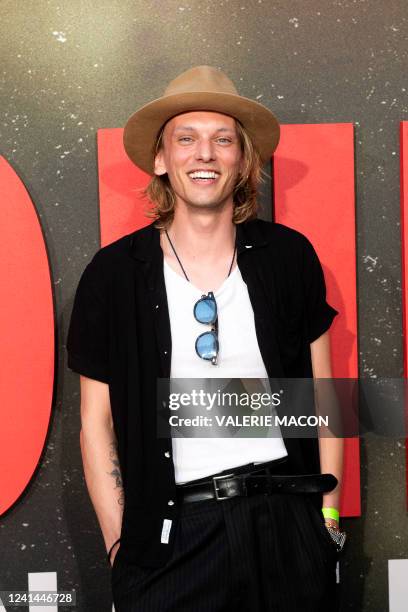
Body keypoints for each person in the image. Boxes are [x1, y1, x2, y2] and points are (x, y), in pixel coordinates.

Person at [67, 65, 346, 611]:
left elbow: (323, 398)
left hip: (287, 526)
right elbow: (94, 423)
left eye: (222, 140)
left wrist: (328, 522)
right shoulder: (114, 274)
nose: (204, 154)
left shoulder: (287, 257)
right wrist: (120, 543)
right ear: (160, 159)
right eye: (186, 139)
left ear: (241, 160)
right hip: (173, 538)